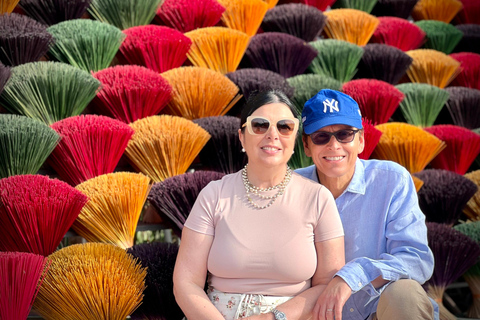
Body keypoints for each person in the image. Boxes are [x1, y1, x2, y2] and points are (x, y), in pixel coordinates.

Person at [173, 90, 345, 320]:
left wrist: (273, 317)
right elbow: (186, 282)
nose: (272, 135)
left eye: (285, 127)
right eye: (260, 125)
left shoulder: (317, 199)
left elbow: (327, 283)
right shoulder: (214, 196)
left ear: (295, 139)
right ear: (242, 136)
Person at [296, 89, 438, 320]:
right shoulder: (291, 189)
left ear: (361, 140)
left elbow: (416, 259)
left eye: (344, 134)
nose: (334, 145)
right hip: (314, 315)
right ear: (306, 146)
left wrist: (352, 276)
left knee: (404, 293)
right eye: (321, 137)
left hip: (379, 312)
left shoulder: (392, 180)